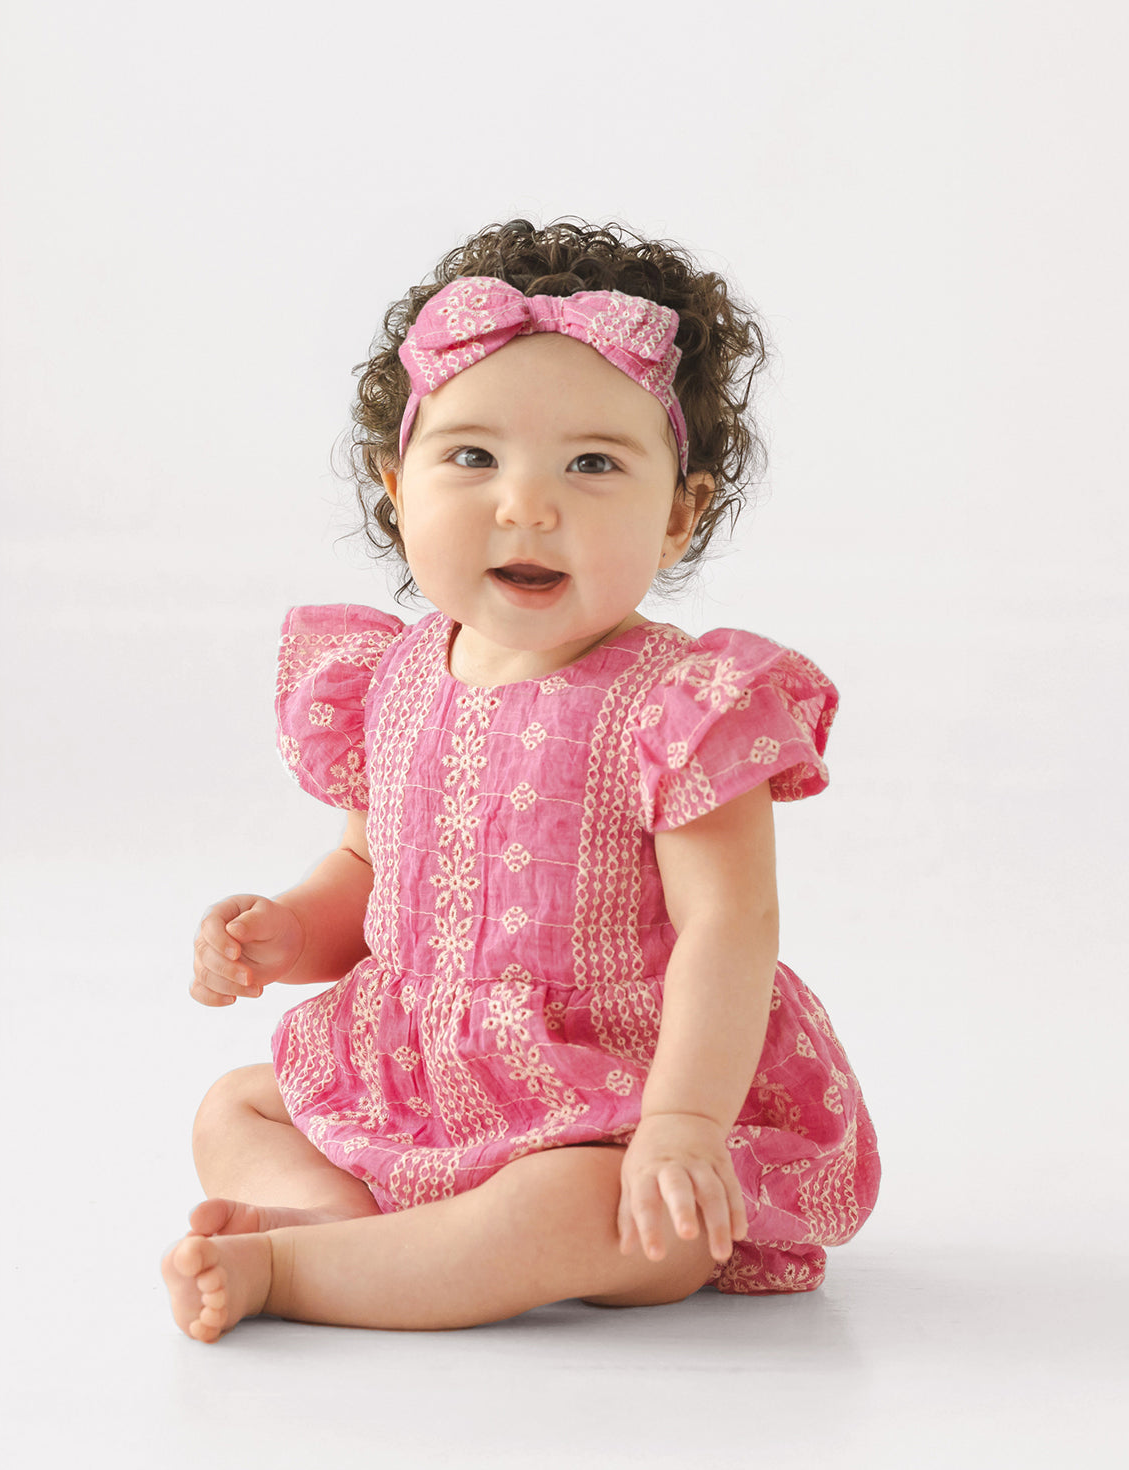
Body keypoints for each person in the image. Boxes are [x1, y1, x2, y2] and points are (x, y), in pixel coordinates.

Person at [162, 218, 881, 1343]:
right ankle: (361, 1238)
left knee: (595, 1213)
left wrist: (683, 1124)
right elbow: (367, 867)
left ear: (680, 509)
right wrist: (284, 934)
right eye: (473, 457)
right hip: (425, 1078)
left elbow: (728, 928)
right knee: (237, 1104)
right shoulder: (386, 679)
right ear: (397, 486)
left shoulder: (683, 708)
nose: (526, 504)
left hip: (616, 1104)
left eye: (593, 464)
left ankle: (295, 1270)